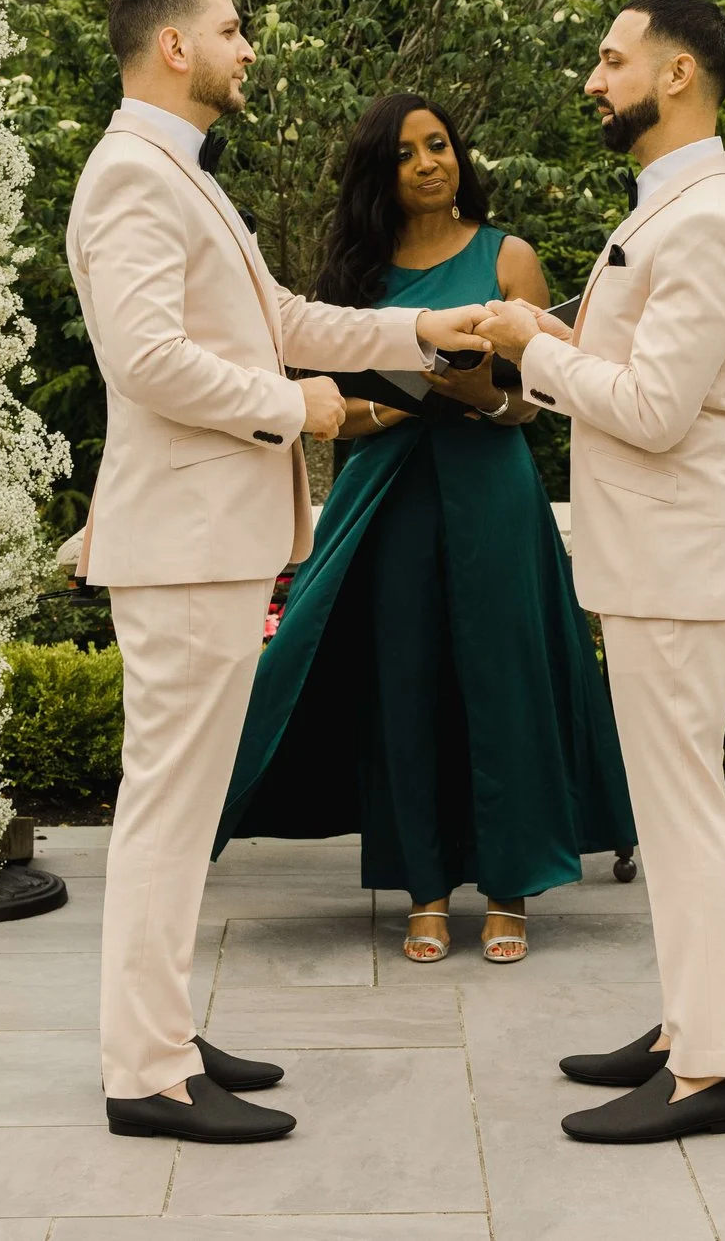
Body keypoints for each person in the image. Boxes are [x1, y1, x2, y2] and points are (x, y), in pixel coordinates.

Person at [66, 0, 490, 1145]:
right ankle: (145, 1071)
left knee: (185, 796)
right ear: (170, 49)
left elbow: (285, 316)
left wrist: (418, 326)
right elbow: (147, 360)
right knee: (167, 805)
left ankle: (162, 1030)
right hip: (183, 539)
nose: (247, 48)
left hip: (206, 537)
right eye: (231, 29)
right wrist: (297, 408)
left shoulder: (178, 176)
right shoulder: (132, 179)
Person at [214, 93, 637, 969]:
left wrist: (483, 396)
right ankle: (426, 890)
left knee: (504, 673)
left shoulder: (507, 254)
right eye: (405, 154)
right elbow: (332, 407)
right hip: (387, 492)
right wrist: (385, 405)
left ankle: (512, 884)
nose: (428, 163)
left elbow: (537, 398)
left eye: (438, 144)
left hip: (490, 488)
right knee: (403, 682)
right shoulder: (356, 278)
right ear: (382, 172)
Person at [472, 0, 725, 1145]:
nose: (593, 78)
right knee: (671, 801)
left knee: (683, 809)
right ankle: (680, 1027)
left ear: (678, 75)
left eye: (612, 60)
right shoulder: (671, 206)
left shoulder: (706, 219)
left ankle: (712, 1071)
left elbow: (656, 411)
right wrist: (542, 337)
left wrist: (528, 347)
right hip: (653, 554)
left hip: (678, 556)